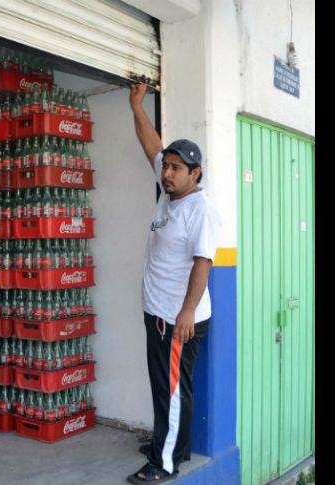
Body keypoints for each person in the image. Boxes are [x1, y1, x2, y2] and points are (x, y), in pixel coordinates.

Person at [126, 83, 221, 484]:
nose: (166, 172)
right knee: (166, 387)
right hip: (159, 313)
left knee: (173, 391)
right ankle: (167, 444)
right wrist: (136, 104)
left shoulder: (199, 210)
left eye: (175, 168)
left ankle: (165, 462)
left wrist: (185, 311)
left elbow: (203, 263)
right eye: (166, 166)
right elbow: (151, 144)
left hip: (179, 318)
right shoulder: (169, 195)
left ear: (194, 173)